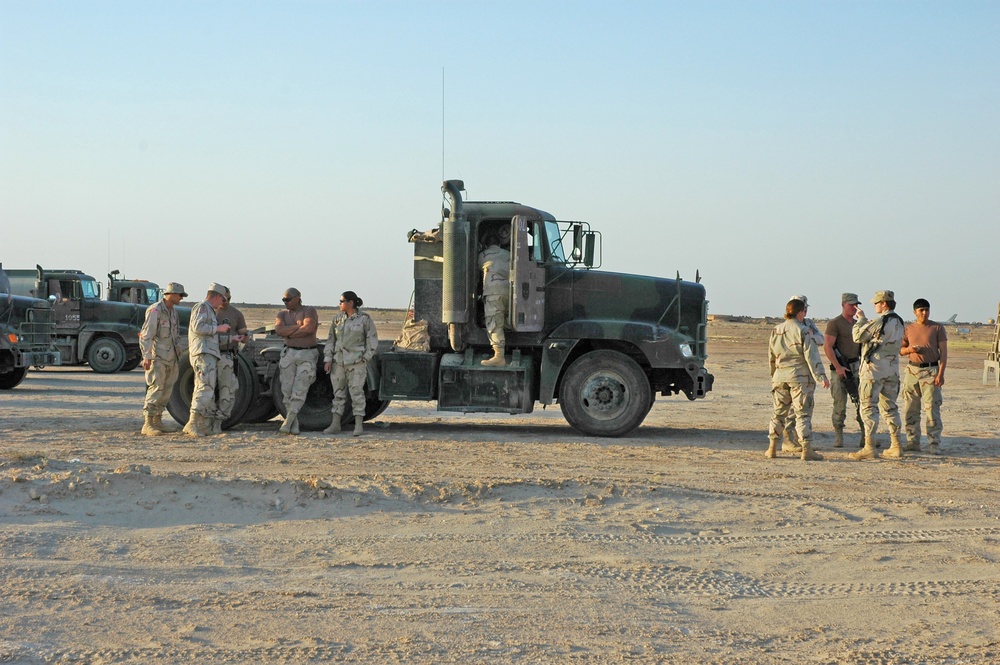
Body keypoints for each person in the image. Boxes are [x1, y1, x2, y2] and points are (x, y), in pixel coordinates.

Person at [766, 298, 830, 461]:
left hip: (780, 377)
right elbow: (812, 357)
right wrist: (821, 376)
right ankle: (806, 449)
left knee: (779, 413)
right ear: (800, 312)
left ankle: (772, 448)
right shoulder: (803, 331)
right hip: (800, 378)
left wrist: (774, 375)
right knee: (803, 414)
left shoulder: (776, 329)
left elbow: (771, 356)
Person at [849, 290, 906, 460]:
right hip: (891, 370)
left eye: (876, 303)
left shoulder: (882, 321)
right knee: (890, 408)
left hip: (874, 371)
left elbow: (858, 337)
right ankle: (896, 445)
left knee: (868, 408)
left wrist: (861, 320)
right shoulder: (899, 321)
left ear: (884, 303)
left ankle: (869, 447)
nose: (874, 305)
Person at [323, 291, 378, 436]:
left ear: (351, 303)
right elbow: (330, 341)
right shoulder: (337, 319)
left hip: (356, 362)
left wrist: (365, 357)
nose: (339, 304)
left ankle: (358, 426)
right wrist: (328, 359)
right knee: (338, 394)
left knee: (357, 393)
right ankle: (335, 424)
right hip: (338, 362)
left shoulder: (364, 319)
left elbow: (371, 340)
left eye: (342, 301)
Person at [900, 298, 948, 455]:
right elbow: (900, 350)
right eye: (921, 310)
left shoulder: (937, 328)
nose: (924, 313)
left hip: (931, 371)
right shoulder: (908, 328)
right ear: (915, 312)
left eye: (927, 310)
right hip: (912, 372)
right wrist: (910, 350)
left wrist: (941, 374)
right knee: (910, 408)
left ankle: (934, 443)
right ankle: (912, 441)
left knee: (931, 409)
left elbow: (944, 353)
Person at [138, 282, 186, 436]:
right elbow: (146, 335)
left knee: (167, 390)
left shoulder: (173, 312)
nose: (181, 298)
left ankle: (157, 421)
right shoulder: (155, 310)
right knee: (156, 388)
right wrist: (147, 357)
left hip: (171, 357)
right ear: (170, 294)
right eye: (179, 295)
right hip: (158, 357)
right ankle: (148, 423)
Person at [184, 283, 231, 437]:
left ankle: (200, 424)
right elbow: (198, 327)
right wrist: (218, 328)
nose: (222, 304)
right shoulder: (202, 307)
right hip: (203, 353)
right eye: (222, 300)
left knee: (207, 388)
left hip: (208, 353)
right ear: (216, 296)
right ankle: (192, 422)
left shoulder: (209, 310)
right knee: (204, 387)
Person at [782, 295, 825, 452]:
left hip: (805, 372)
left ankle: (801, 440)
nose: (805, 310)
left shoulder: (808, 325)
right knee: (790, 409)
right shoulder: (787, 327)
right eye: (803, 307)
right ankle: (788, 440)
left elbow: (821, 339)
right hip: (792, 371)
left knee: (803, 408)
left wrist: (809, 337)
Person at [274, 287, 319, 435]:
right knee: (286, 390)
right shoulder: (282, 314)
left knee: (300, 389)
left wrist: (290, 331)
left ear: (298, 298)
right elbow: (279, 331)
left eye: (288, 299)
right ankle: (294, 423)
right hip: (289, 353)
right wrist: (298, 328)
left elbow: (309, 329)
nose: (285, 302)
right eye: (283, 300)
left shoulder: (309, 311)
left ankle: (288, 422)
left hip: (306, 353)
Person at [823, 293, 865, 448]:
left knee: (862, 403)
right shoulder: (835, 323)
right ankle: (838, 435)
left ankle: (864, 436)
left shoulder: (857, 324)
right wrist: (838, 366)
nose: (854, 308)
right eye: (851, 305)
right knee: (839, 404)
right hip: (840, 369)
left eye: (856, 305)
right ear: (843, 305)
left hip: (856, 366)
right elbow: (828, 346)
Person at [211, 287, 249, 435]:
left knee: (228, 390)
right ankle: (205, 420)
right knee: (206, 390)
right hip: (210, 355)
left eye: (228, 298)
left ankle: (218, 421)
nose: (226, 302)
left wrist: (245, 337)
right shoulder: (208, 312)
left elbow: (243, 333)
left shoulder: (236, 314)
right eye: (223, 299)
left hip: (227, 355)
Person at [478, 225, 511, 367]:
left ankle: (499, 356)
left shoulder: (483, 255)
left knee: (494, 324)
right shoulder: (508, 254)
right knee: (508, 320)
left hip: (493, 294)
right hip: (511, 294)